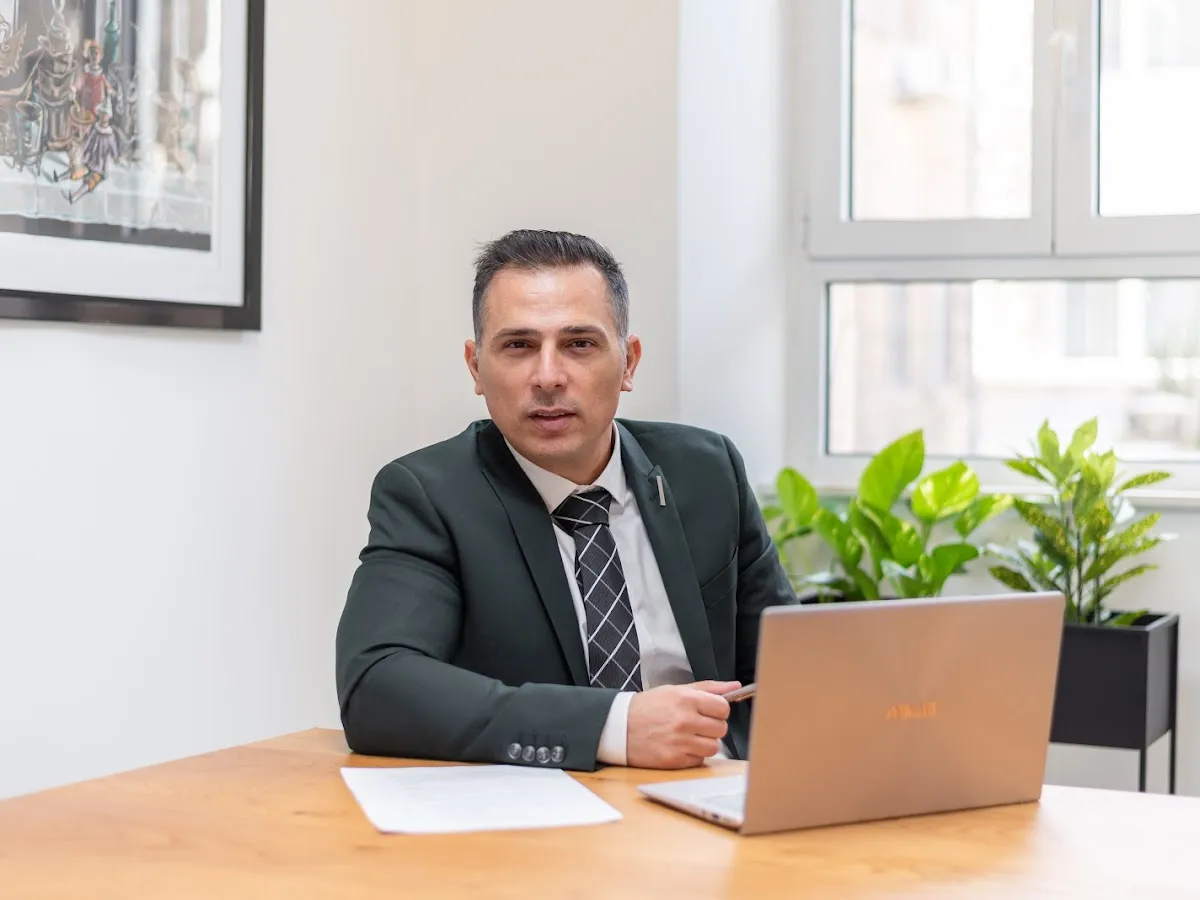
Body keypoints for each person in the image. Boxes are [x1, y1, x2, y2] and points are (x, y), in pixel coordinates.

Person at [335, 229, 795, 771]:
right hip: (546, 802)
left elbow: (793, 666)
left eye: (579, 344)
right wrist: (614, 726)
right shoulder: (430, 495)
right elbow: (377, 686)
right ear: (475, 366)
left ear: (628, 362)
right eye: (518, 346)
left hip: (716, 788)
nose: (548, 377)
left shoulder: (707, 470)